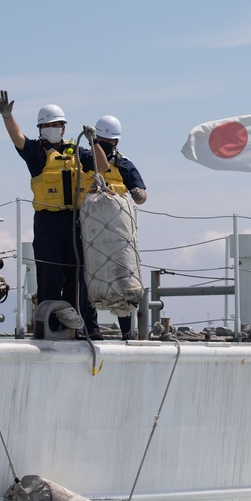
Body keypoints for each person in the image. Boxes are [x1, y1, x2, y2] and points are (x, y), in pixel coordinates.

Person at [0, 90, 109, 339]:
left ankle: (82, 328)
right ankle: (51, 327)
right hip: (48, 223)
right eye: (46, 126)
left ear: (64, 128)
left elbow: (104, 166)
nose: (51, 129)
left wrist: (94, 141)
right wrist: (7, 116)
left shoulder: (77, 152)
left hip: (76, 222)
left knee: (78, 276)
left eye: (55, 125)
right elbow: (17, 138)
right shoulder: (36, 152)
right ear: (40, 129)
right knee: (50, 277)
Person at [95, 115, 147, 340]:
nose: (107, 145)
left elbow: (142, 195)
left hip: (117, 232)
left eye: (109, 142)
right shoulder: (84, 158)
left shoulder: (124, 165)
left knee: (123, 279)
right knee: (88, 278)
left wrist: (138, 193)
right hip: (90, 230)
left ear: (116, 143)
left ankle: (127, 330)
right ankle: (90, 329)